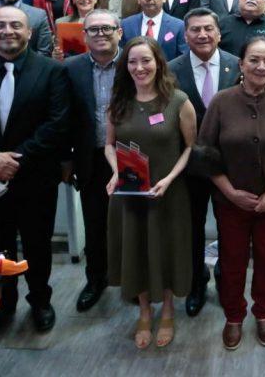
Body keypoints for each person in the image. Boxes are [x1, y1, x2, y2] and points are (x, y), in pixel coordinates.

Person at [192, 36, 265, 350]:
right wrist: (230, 192)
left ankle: (263, 312)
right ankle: (233, 316)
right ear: (241, 64)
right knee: (232, 261)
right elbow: (204, 152)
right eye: (254, 60)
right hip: (230, 202)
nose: (261, 66)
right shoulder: (221, 102)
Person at [104, 36, 196, 349]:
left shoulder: (178, 101)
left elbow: (190, 147)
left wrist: (168, 179)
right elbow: (109, 145)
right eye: (133, 61)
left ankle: (167, 310)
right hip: (130, 196)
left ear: (158, 63)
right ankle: (144, 310)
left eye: (146, 60)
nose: (139, 67)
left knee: (166, 249)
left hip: (166, 193)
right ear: (125, 66)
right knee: (136, 249)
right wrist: (116, 172)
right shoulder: (118, 101)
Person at [0, 6, 69, 331]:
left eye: (15, 25)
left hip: (35, 176)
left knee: (37, 244)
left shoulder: (51, 71)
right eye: (0, 25)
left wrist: (13, 160)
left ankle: (40, 300)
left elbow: (56, 124)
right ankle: (2, 303)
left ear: (29, 32)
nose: (8, 31)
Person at [166, 8, 240, 317]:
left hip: (230, 165)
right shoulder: (171, 70)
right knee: (192, 229)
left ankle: (227, 281)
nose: (202, 35)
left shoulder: (238, 65)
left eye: (208, 28)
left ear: (219, 33)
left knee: (229, 229)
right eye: (195, 30)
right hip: (190, 167)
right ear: (185, 35)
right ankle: (197, 283)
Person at [64, 10, 122, 314]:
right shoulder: (70, 68)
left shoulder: (136, 62)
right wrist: (67, 159)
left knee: (135, 220)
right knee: (95, 222)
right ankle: (96, 279)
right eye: (94, 29)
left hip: (132, 155)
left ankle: (138, 279)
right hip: (90, 158)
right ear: (84, 36)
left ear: (119, 32)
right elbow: (63, 117)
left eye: (107, 28)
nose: (100, 34)